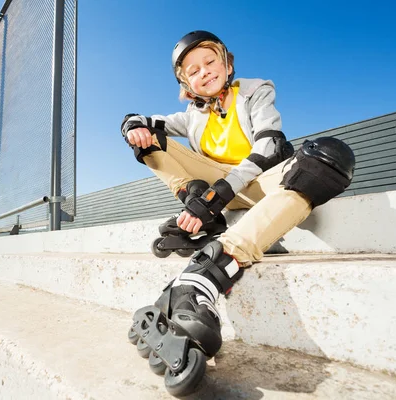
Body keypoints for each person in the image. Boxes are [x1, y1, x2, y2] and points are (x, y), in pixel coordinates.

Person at [123, 30, 355, 396]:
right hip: (220, 195)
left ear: (227, 63)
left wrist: (214, 197)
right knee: (146, 138)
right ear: (186, 83)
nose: (204, 72)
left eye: (210, 62)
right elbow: (148, 120)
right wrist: (132, 124)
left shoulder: (255, 91)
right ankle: (208, 234)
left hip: (264, 182)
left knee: (327, 158)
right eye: (192, 70)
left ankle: (208, 269)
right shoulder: (191, 116)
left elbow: (268, 145)